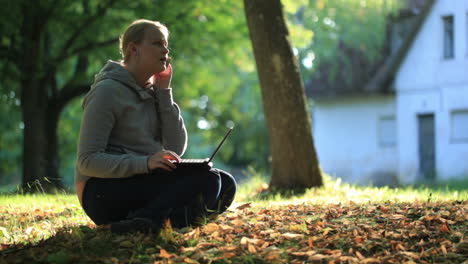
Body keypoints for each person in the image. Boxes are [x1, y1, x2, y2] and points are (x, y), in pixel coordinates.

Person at [74, 19, 237, 234]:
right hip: (102, 191)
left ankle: (150, 223)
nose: (166, 50)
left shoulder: (154, 92)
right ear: (134, 49)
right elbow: (87, 161)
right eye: (158, 43)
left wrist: (163, 93)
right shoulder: (107, 92)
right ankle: (154, 221)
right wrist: (146, 163)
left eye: (166, 44)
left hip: (144, 179)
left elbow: (176, 148)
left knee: (225, 183)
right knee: (207, 181)